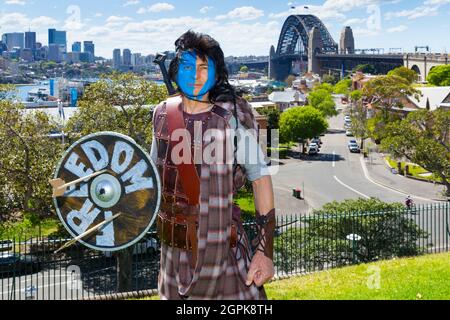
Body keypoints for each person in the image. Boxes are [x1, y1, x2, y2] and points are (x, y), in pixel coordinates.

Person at [150, 30, 275, 300]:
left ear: (216, 74)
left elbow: (261, 177)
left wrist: (264, 252)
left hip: (223, 253)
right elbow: (150, 178)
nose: (195, 75)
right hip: (173, 254)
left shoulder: (230, 120)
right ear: (175, 72)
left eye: (204, 67)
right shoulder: (161, 115)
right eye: (187, 67)